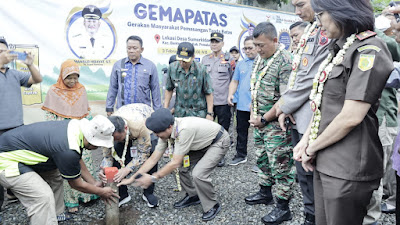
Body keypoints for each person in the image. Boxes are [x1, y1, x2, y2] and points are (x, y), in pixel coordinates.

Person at [294, 0, 394, 224]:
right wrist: (306, 139)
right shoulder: (339, 48)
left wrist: (312, 146)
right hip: (325, 157)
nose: (318, 24)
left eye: (320, 15)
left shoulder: (370, 49)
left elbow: (351, 117)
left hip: (347, 165)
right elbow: (323, 102)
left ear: (342, 10)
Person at [0, 115, 120, 224]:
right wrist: (101, 192)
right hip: (6, 160)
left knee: (55, 176)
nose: (98, 147)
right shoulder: (68, 150)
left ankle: (55, 215)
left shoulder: (76, 128)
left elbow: (77, 159)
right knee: (42, 197)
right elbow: (76, 184)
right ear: (92, 139)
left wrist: (93, 183)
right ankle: (45, 219)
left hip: (23, 151)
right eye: (98, 144)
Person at [274, 1, 331, 224]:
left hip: (313, 115)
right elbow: (296, 74)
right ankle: (310, 214)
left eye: (300, 5)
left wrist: (284, 106)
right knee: (302, 170)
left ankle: (320, 216)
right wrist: (286, 106)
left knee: (314, 171)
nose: (296, 12)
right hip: (298, 113)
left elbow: (311, 77)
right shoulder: (311, 29)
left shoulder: (327, 31)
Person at [119, 108, 230, 221]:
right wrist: (132, 178)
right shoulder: (165, 132)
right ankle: (193, 195)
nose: (156, 135)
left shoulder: (184, 130)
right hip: (199, 144)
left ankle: (212, 205)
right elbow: (153, 159)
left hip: (218, 141)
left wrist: (153, 178)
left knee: (198, 174)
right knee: (182, 167)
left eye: (157, 133)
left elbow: (175, 162)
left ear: (169, 127)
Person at [245, 22, 294, 225]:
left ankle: (283, 208)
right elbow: (255, 90)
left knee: (280, 165)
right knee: (262, 159)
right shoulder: (261, 59)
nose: (257, 50)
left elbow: (285, 99)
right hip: (260, 123)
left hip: (275, 125)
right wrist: (255, 116)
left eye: (261, 45)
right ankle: (265, 192)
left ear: (275, 41)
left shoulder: (284, 61)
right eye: (255, 45)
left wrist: (264, 119)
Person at [41, 59, 98, 213]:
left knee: (85, 162)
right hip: (63, 135)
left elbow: (87, 112)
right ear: (62, 76)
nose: (73, 81)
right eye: (69, 77)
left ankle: (87, 196)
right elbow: (49, 116)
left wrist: (91, 128)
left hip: (81, 132)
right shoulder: (53, 91)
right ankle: (71, 201)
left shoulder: (82, 90)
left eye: (75, 77)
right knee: (68, 166)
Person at [0, 38, 42, 214]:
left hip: (16, 129)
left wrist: (30, 64)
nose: (4, 54)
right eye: (0, 51)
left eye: (4, 50)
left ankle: (15, 197)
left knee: (16, 167)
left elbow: (37, 79)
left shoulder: (14, 74)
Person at [98, 103, 159, 208]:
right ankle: (123, 194)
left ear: (125, 129)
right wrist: (104, 169)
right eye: (112, 139)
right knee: (116, 153)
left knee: (152, 154)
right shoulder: (106, 131)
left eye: (116, 138)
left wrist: (127, 169)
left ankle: (148, 192)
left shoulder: (140, 126)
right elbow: (108, 156)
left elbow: (143, 153)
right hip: (127, 123)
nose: (114, 141)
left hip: (146, 122)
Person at [201, 32, 235, 166]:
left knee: (222, 130)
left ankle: (220, 156)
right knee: (206, 129)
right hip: (207, 102)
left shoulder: (229, 59)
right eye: (212, 42)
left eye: (217, 42)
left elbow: (233, 79)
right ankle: (206, 154)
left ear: (222, 43)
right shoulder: (205, 59)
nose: (214, 44)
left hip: (223, 101)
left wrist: (231, 97)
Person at [106, 35, 161, 115]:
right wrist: (109, 107)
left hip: (143, 112)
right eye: (129, 48)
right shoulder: (118, 65)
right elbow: (113, 88)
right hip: (123, 111)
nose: (131, 51)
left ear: (142, 49)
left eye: (135, 48)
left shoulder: (150, 66)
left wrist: (157, 111)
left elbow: (155, 90)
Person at [227, 36, 257, 166]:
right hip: (242, 104)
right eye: (245, 48)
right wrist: (230, 94)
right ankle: (241, 154)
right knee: (241, 130)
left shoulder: (263, 62)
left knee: (260, 134)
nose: (247, 51)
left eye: (250, 48)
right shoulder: (241, 64)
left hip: (258, 105)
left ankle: (262, 162)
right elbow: (235, 81)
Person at [165, 42, 214, 119]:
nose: (182, 63)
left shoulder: (201, 70)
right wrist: (165, 109)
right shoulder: (172, 68)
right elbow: (169, 89)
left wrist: (210, 113)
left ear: (193, 57)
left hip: (198, 114)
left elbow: (208, 92)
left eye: (185, 61)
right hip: (180, 113)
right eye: (180, 59)